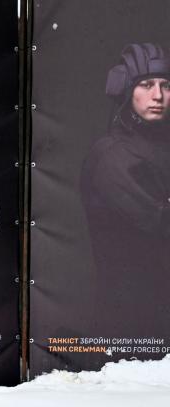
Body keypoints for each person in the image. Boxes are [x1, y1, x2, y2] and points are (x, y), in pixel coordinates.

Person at [81, 43, 170, 333]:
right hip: (131, 317)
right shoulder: (112, 155)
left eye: (165, 85)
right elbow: (160, 224)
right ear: (125, 90)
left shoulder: (158, 147)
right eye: (146, 85)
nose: (158, 95)